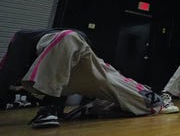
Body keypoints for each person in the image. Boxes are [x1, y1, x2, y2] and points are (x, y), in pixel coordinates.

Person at [0, 28, 161, 128]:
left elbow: (7, 73)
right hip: (74, 48)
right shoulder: (23, 38)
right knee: (69, 41)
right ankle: (53, 109)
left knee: (152, 104)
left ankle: (89, 107)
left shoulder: (23, 37)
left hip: (77, 48)